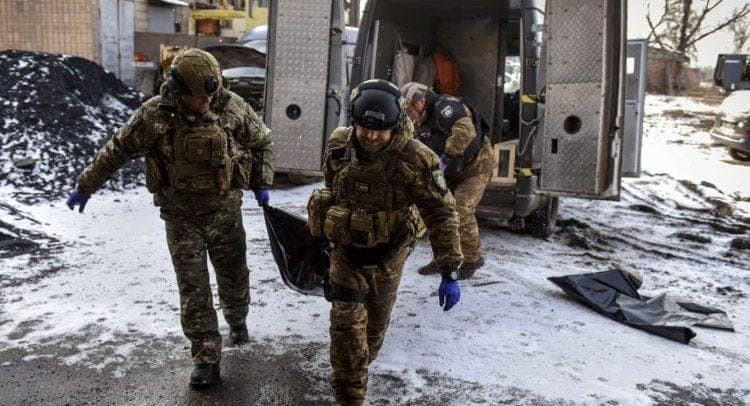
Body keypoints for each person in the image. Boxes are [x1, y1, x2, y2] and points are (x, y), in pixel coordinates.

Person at [65, 48, 274, 388]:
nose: (206, 101)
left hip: (225, 214)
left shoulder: (230, 106)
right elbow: (117, 149)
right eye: (199, 97)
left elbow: (262, 140)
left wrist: (261, 182)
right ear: (179, 89)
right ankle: (206, 357)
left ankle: (238, 319)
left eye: (211, 95)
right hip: (181, 218)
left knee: (234, 278)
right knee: (193, 289)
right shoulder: (155, 116)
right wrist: (85, 186)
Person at [306, 79, 463, 406]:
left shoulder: (416, 159)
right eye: (364, 128)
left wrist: (449, 269)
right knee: (347, 333)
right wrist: (322, 231)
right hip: (346, 256)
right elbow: (332, 188)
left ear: (396, 125)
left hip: (388, 259)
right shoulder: (339, 144)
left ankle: (359, 367)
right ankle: (349, 395)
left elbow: (440, 213)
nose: (372, 137)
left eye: (380, 131)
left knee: (372, 336)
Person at [401, 82, 494, 279]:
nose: (410, 114)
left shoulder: (445, 108)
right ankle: (443, 258)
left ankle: (473, 259)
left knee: (460, 209)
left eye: (410, 109)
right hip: (449, 170)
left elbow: (465, 130)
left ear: (421, 102)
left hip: (475, 165)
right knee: (439, 211)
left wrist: (448, 157)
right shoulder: (418, 123)